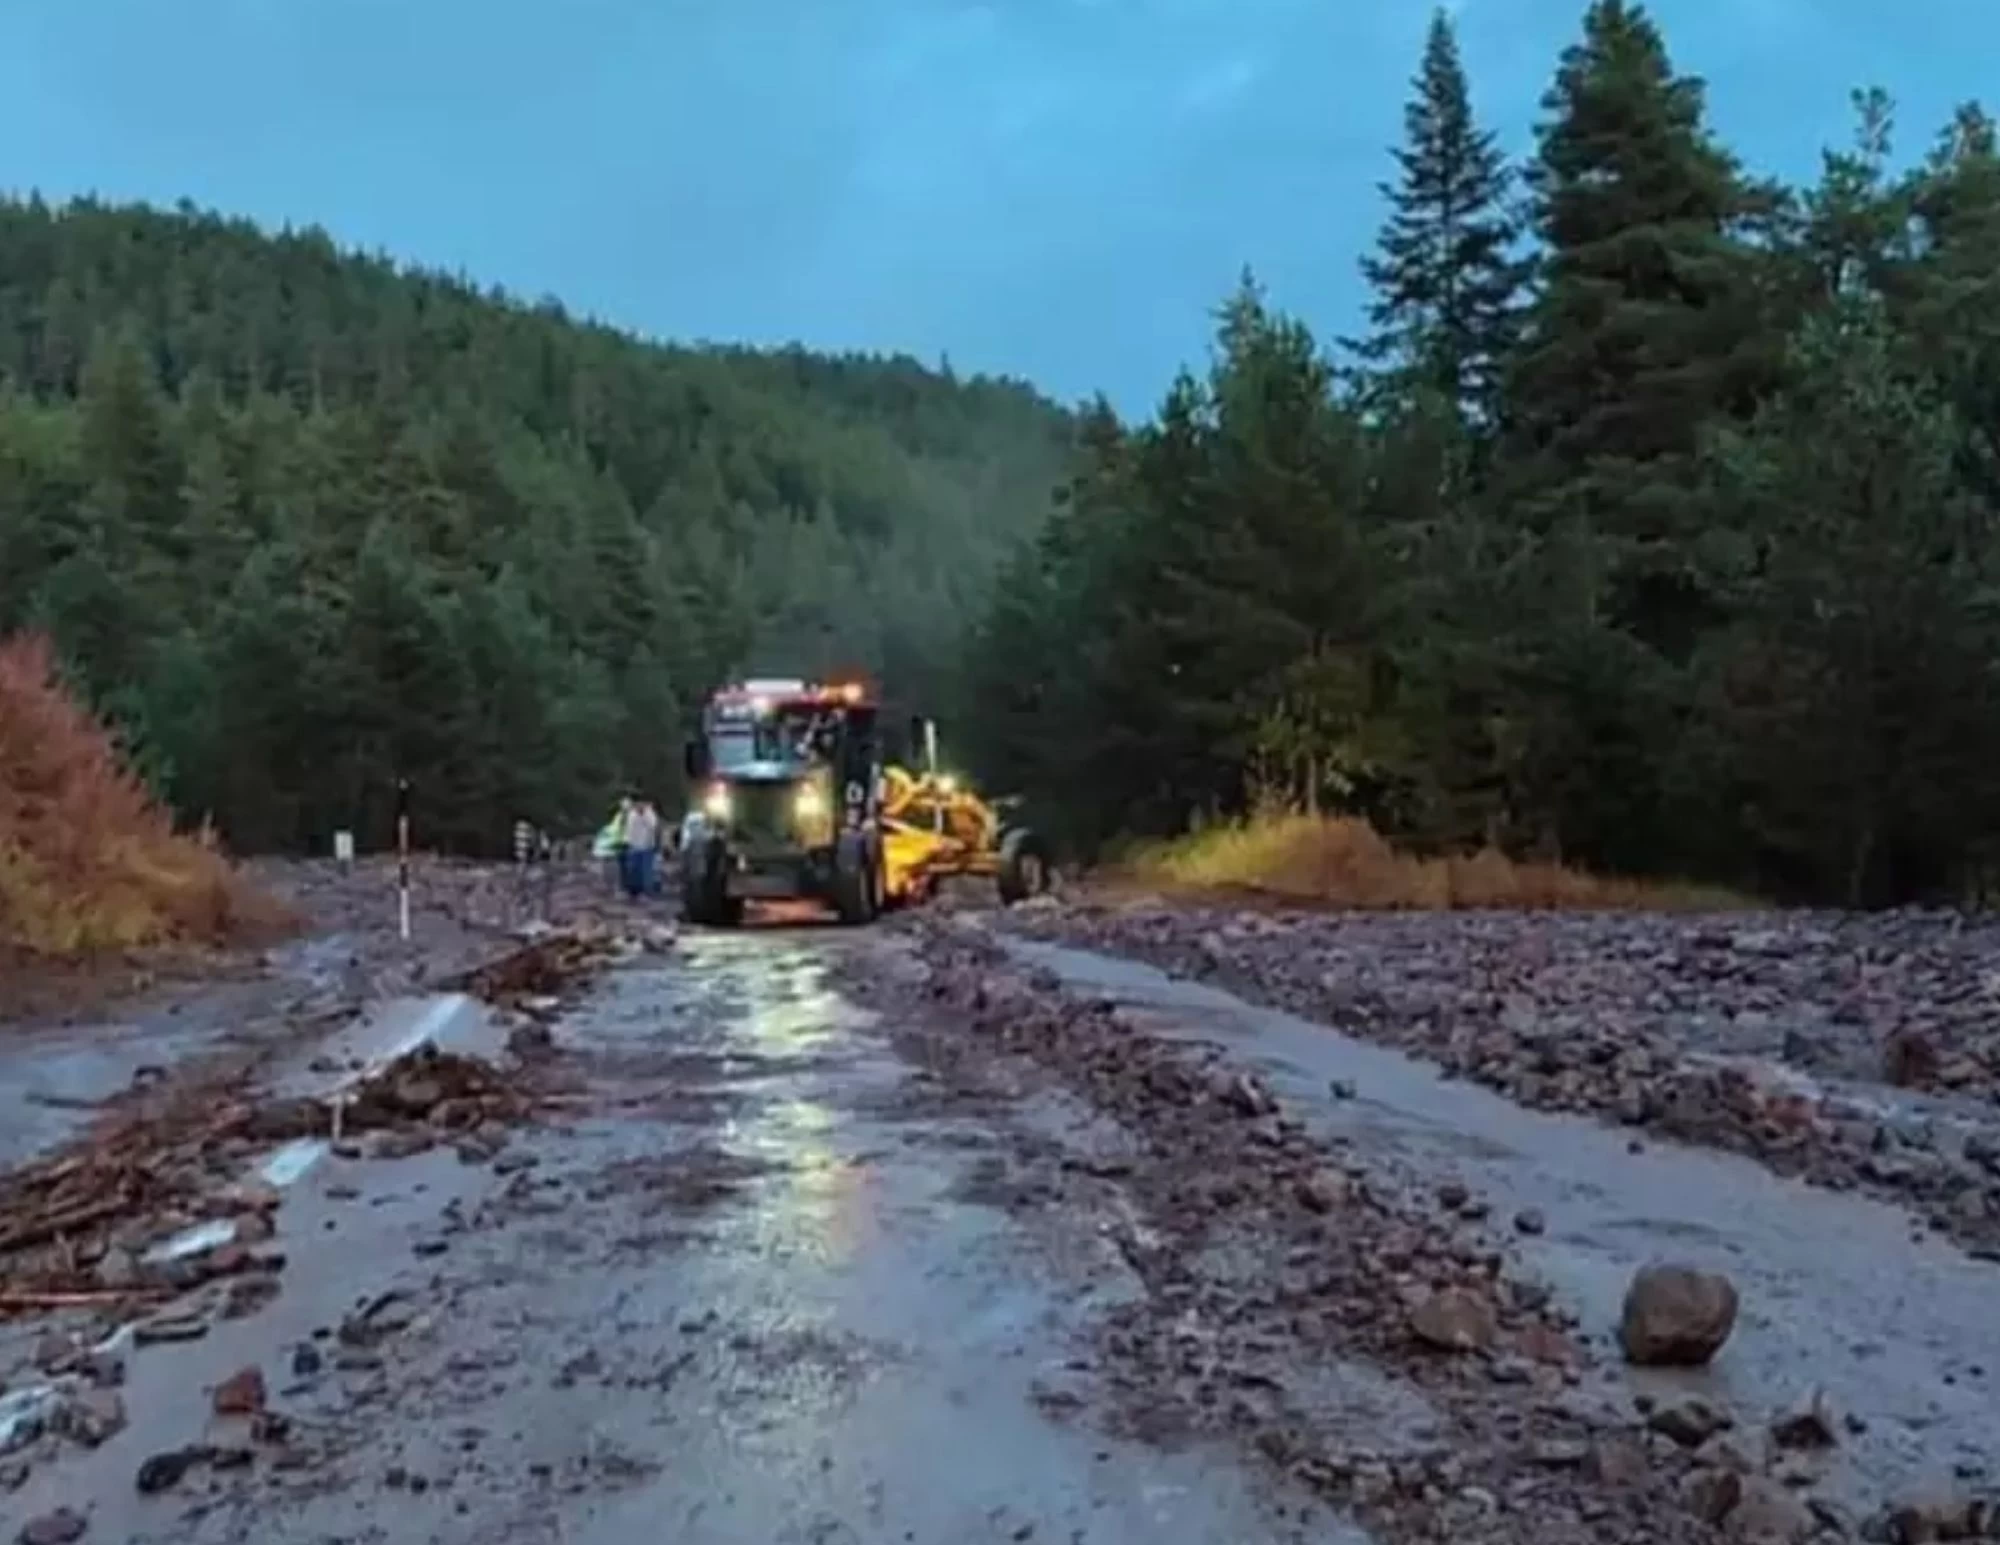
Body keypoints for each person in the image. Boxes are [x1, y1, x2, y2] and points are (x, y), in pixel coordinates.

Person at [620, 797, 659, 900]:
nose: (639, 805)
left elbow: (652, 826)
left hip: (646, 846)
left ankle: (646, 892)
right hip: (633, 846)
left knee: (645, 871)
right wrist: (626, 841)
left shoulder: (649, 814)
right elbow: (629, 829)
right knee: (633, 870)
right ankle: (633, 892)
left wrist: (643, 814)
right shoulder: (631, 814)